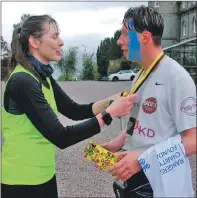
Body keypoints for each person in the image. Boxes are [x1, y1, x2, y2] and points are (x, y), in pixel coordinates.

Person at [1, 15, 138, 198]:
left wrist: (110, 101)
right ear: (34, 42)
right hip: (22, 181)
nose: (61, 42)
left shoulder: (43, 76)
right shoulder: (22, 80)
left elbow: (74, 110)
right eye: (55, 36)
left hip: (44, 174)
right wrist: (109, 114)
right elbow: (60, 136)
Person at [100, 5, 196, 198]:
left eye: (126, 34)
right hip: (136, 180)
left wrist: (142, 160)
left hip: (163, 184)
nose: (119, 41)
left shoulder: (177, 78)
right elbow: (137, 124)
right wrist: (117, 143)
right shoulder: (141, 74)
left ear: (144, 37)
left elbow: (192, 141)